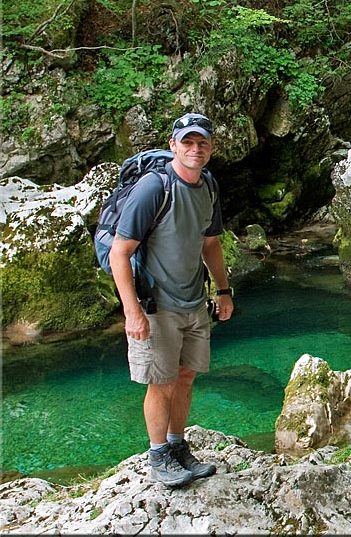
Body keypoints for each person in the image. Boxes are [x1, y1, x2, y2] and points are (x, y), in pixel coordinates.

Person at [109, 113, 234, 487]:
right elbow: (119, 252)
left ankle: (178, 448)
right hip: (156, 306)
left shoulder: (208, 186)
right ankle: (158, 455)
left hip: (194, 302)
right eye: (188, 142)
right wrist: (131, 312)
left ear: (210, 149)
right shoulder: (154, 188)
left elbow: (210, 244)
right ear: (173, 146)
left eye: (203, 143)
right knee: (160, 383)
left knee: (185, 377)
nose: (195, 149)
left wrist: (223, 291)